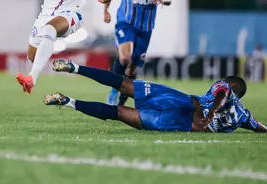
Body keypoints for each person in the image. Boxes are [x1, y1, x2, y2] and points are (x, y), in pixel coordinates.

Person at [44, 59, 267, 133]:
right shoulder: (244, 116)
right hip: (179, 124)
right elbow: (259, 127)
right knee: (119, 113)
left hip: (180, 101)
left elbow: (221, 94)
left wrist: (212, 113)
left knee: (124, 85)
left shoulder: (225, 87)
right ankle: (68, 102)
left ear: (232, 84)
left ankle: (75, 68)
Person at [103, 0, 172, 106]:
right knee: (125, 57)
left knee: (132, 67)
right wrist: (106, 10)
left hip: (146, 25)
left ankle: (122, 101)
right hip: (125, 20)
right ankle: (114, 89)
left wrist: (163, 0)